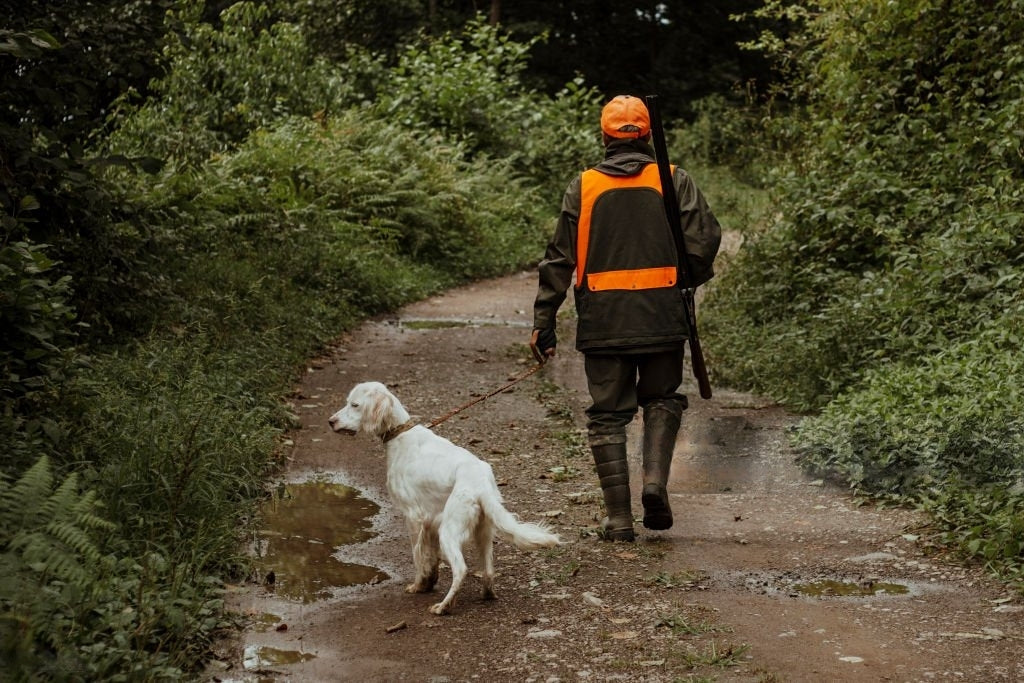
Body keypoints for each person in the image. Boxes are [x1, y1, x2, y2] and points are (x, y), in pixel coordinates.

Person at [529, 95, 722, 541]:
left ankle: (618, 519)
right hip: (661, 317)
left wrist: (545, 320)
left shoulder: (584, 186)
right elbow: (705, 239)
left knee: (607, 416)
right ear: (649, 135)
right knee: (662, 399)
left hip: (603, 322)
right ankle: (653, 484)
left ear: (605, 137)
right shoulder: (674, 180)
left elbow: (558, 259)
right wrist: (683, 280)